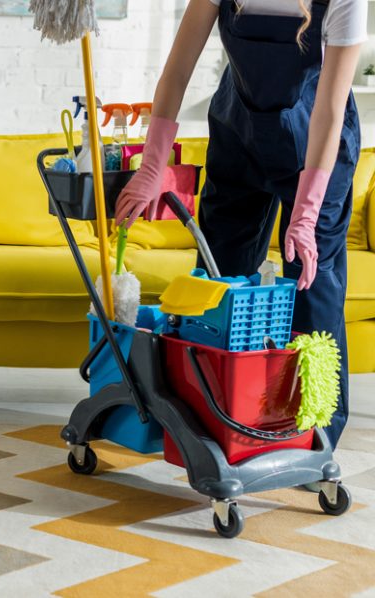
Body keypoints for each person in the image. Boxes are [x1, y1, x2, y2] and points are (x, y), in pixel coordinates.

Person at [116, 0, 365, 449]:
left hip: (317, 147)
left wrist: (306, 214)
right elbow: (177, 71)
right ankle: (217, 418)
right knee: (217, 281)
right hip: (240, 136)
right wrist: (153, 164)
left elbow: (328, 111)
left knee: (312, 287)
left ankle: (316, 438)